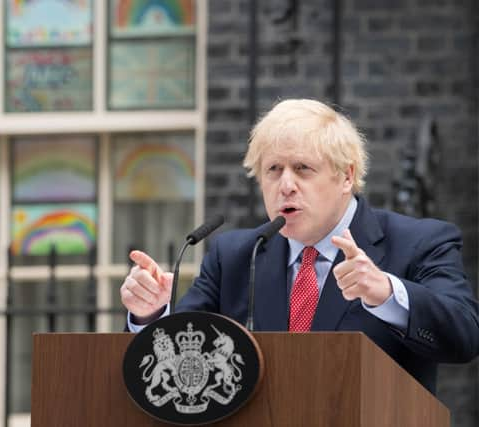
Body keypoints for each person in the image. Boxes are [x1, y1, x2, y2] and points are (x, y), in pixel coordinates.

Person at [119, 98, 479, 394]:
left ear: (347, 176)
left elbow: (463, 337)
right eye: (273, 169)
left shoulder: (418, 243)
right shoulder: (235, 256)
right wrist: (150, 315)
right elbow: (181, 362)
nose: (285, 185)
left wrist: (386, 292)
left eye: (303, 168)